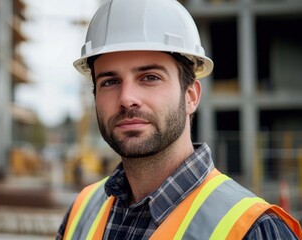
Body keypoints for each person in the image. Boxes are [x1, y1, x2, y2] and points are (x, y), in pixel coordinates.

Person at [57, 0, 302, 239]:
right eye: (110, 82)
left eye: (150, 77)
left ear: (191, 96)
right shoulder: (82, 210)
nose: (127, 98)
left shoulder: (254, 229)